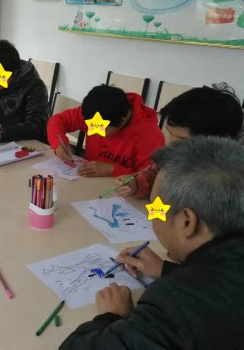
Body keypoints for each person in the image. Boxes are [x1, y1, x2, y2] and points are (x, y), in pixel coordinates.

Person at [60, 137, 244, 349]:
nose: (150, 215)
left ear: (187, 222)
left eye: (155, 208)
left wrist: (110, 317)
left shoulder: (174, 304)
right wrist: (166, 270)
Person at [115, 83, 244, 199]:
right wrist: (136, 184)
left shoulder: (232, 179)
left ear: (222, 140)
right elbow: (153, 174)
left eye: (183, 139)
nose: (170, 144)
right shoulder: (184, 154)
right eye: (169, 133)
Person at [48, 84, 164, 177]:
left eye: (101, 128)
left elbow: (150, 178)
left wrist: (112, 169)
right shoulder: (96, 113)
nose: (94, 130)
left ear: (122, 121)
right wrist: (58, 143)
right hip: (89, 182)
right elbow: (58, 120)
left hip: (122, 191)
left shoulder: (150, 136)